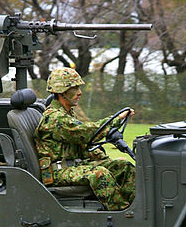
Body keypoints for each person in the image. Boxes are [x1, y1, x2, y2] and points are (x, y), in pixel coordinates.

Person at [35, 67, 135, 211]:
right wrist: (116, 119)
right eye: (74, 88)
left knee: (123, 167)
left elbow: (84, 139)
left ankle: (135, 208)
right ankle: (121, 213)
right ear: (62, 91)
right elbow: (86, 133)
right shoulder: (54, 118)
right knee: (99, 174)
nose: (80, 92)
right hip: (58, 172)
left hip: (74, 165)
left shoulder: (67, 113)